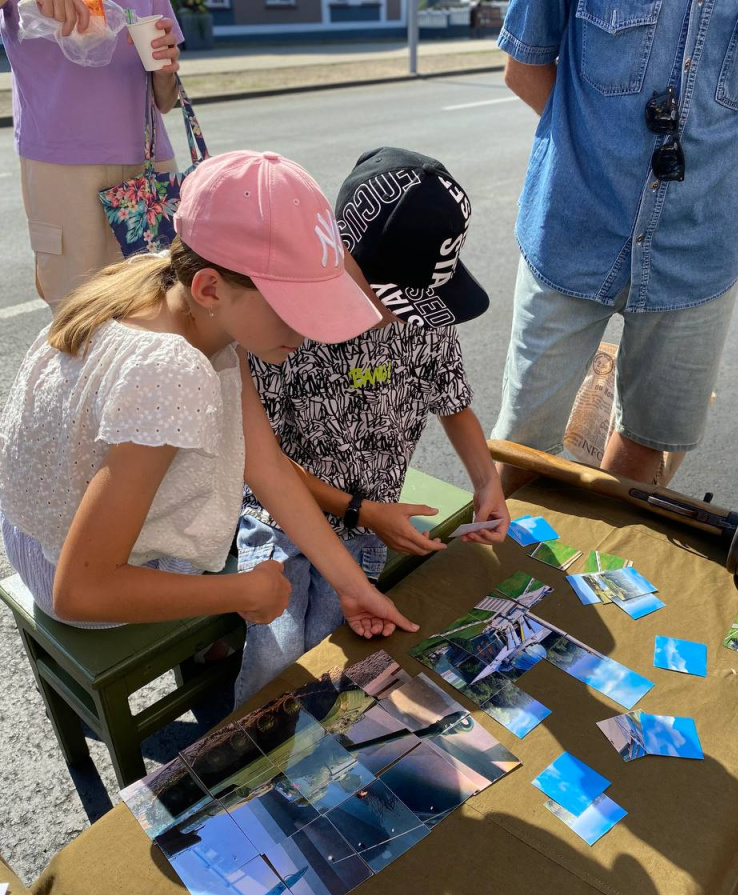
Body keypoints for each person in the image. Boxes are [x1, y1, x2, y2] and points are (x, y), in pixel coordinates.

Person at [0, 150, 419, 648]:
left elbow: (266, 466)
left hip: (34, 530)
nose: (305, 333)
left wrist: (353, 587)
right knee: (228, 537)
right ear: (210, 287)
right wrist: (239, 590)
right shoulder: (172, 370)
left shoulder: (165, 282)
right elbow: (82, 591)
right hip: (69, 576)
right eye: (291, 310)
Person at [235, 146, 510, 706]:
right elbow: (263, 461)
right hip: (282, 516)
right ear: (340, 256)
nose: (401, 318)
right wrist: (360, 511)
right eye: (393, 300)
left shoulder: (425, 316)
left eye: (416, 303)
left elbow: (451, 398)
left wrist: (487, 483)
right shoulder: (282, 321)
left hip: (367, 525)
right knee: (279, 655)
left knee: (337, 654)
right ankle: (244, 759)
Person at [492, 0, 738, 490]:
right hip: (572, 230)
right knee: (521, 449)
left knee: (643, 449)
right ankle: (496, 567)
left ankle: (599, 564)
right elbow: (524, 66)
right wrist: (593, 152)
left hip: (700, 253)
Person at [0, 0, 181, 309]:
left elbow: (164, 100)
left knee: (164, 308)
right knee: (80, 316)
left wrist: (165, 69)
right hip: (62, 172)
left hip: (149, 164)